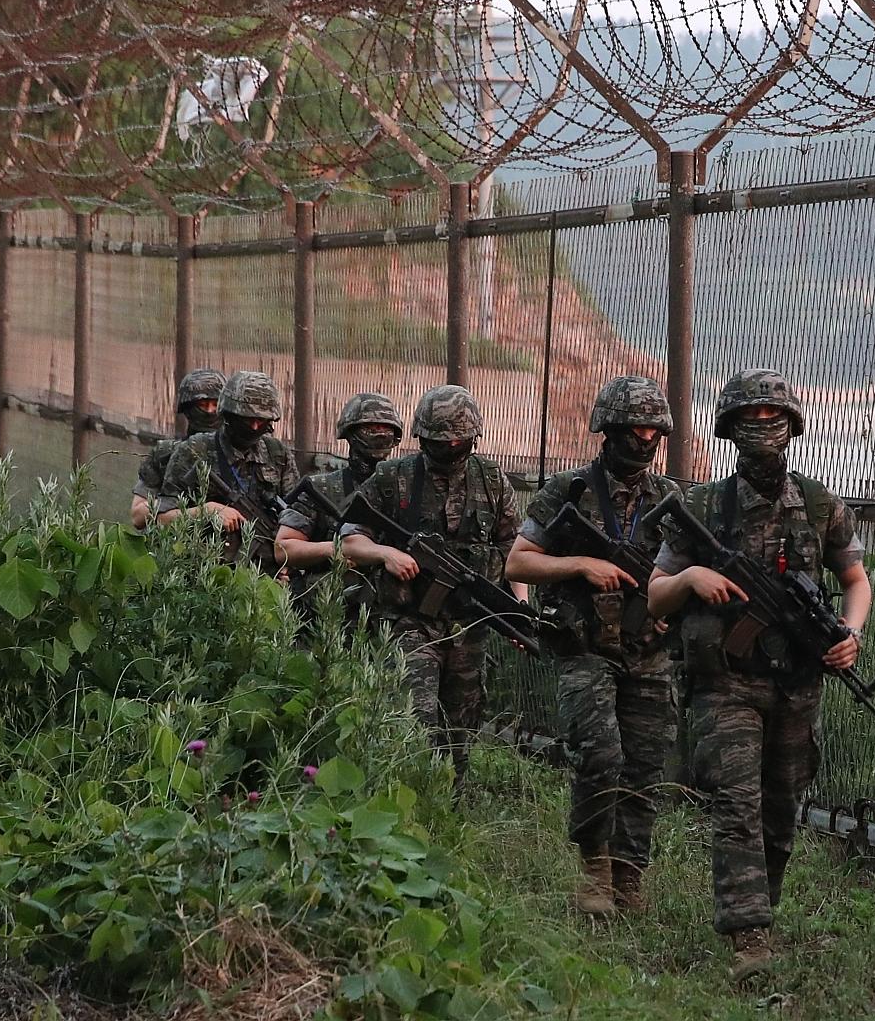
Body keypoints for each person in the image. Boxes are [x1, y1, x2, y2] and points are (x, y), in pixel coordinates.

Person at [647, 368, 870, 980]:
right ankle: (748, 936)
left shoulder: (821, 504)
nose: (763, 430)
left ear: (793, 427)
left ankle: (761, 903)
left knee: (781, 801)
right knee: (737, 801)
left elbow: (854, 580)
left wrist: (849, 634)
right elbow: (655, 594)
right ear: (730, 430)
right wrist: (691, 580)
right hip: (726, 680)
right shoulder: (699, 507)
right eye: (751, 420)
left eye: (774, 419)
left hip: (797, 681)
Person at [504, 376, 682, 917]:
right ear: (609, 429)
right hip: (584, 647)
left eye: (653, 428)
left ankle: (630, 878)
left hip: (648, 652)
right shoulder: (571, 491)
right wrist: (582, 563)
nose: (643, 438)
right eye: (633, 428)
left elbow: (693, 568)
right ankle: (595, 872)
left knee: (645, 766)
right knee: (600, 756)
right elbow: (518, 561)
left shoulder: (672, 498)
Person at [340, 384, 527, 787]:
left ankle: (450, 808)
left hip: (469, 625)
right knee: (415, 719)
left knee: (460, 730)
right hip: (409, 622)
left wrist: (517, 610)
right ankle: (407, 802)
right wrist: (386, 555)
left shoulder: (492, 481)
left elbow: (516, 553)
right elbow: (350, 538)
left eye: (458, 442)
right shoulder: (394, 477)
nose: (449, 448)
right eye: (439, 441)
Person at [156, 370, 299, 572]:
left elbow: (296, 519)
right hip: (200, 570)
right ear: (228, 414)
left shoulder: (278, 454)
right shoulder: (194, 450)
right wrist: (206, 511)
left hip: (264, 573)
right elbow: (161, 518)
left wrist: (287, 565)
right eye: (247, 419)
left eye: (262, 420)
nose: (255, 425)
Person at [275, 392, 403, 613]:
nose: (380, 435)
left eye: (386, 429)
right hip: (327, 609)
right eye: (371, 429)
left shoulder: (405, 488)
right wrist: (335, 550)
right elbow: (283, 548)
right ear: (351, 434)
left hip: (387, 614)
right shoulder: (322, 488)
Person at [130, 368, 224, 529]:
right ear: (187, 408)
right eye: (202, 404)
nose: (209, 411)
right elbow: (138, 516)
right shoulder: (166, 453)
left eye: (215, 405)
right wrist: (202, 512)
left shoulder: (244, 454)